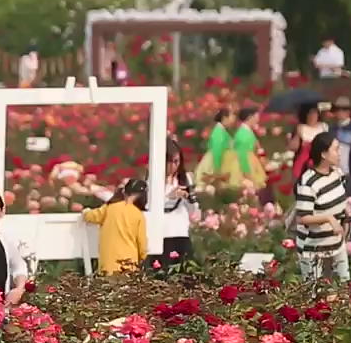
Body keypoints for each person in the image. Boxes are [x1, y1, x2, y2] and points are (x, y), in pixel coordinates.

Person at [294, 132, 349, 281]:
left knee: (344, 285)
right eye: (336, 149)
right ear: (324, 154)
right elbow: (303, 218)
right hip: (314, 247)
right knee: (315, 292)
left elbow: (339, 203)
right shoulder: (308, 182)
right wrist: (329, 219)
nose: (339, 154)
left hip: (336, 242)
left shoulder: (337, 174)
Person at [80, 179, 148, 274]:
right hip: (129, 263)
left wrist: (85, 211)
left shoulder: (110, 208)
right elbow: (142, 244)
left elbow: (90, 216)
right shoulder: (138, 215)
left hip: (108, 261)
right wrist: (143, 259)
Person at [148, 140, 197, 269]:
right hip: (162, 234)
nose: (174, 166)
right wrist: (170, 197)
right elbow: (149, 207)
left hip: (180, 232)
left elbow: (194, 212)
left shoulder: (184, 179)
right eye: (170, 162)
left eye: (177, 161)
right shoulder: (153, 181)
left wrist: (188, 198)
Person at [223, 108, 266, 188]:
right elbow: (242, 156)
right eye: (256, 116)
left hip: (251, 165)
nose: (258, 119)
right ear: (250, 117)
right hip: (242, 170)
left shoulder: (248, 131)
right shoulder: (243, 134)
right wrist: (248, 175)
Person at [194, 108, 235, 183]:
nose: (234, 119)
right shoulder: (218, 132)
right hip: (215, 164)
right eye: (232, 116)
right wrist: (218, 170)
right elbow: (217, 151)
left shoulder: (222, 131)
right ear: (225, 118)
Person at [290, 103, 328, 183]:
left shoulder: (323, 127)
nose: (312, 116)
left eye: (314, 113)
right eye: (310, 113)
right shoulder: (301, 128)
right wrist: (297, 134)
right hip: (303, 164)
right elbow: (293, 147)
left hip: (320, 163)